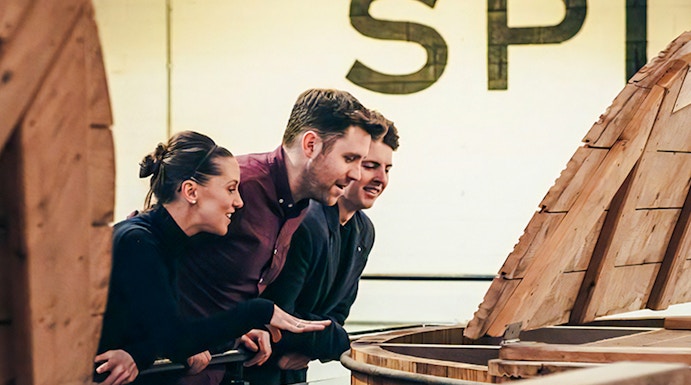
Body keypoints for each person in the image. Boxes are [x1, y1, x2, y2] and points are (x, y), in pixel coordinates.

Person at [176, 88, 387, 384]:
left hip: (219, 370)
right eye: (350, 158)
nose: (355, 174)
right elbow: (146, 243)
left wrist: (241, 327)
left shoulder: (296, 206)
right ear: (311, 144)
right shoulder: (242, 185)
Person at [94, 131, 330, 385]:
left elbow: (160, 329)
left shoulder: (161, 242)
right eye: (231, 189)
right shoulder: (139, 242)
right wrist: (257, 311)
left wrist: (234, 335)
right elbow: (173, 339)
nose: (239, 202)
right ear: (191, 191)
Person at [246, 113, 399, 384]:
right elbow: (280, 315)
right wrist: (332, 341)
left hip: (294, 370)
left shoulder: (364, 230)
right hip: (259, 369)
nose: (380, 178)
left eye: (387, 169)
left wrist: (312, 348)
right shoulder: (306, 221)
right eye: (370, 165)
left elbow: (339, 312)